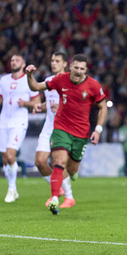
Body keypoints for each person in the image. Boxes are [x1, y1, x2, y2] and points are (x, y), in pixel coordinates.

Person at [25, 54, 108, 215]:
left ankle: (71, 175)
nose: (78, 71)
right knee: (58, 161)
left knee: (70, 169)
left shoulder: (93, 85)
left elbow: (103, 107)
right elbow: (35, 87)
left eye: (82, 69)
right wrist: (29, 75)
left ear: (86, 69)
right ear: (70, 66)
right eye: (76, 67)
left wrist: (98, 130)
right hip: (61, 128)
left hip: (81, 133)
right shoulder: (60, 79)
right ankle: (55, 198)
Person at [33, 52, 76, 208]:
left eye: (57, 61)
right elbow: (50, 104)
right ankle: (57, 189)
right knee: (39, 162)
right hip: (48, 126)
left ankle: (69, 197)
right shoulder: (49, 81)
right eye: (52, 60)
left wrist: (61, 107)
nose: (53, 63)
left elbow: (78, 106)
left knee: (58, 163)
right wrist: (41, 106)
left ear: (65, 64)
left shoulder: (71, 82)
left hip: (63, 127)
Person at [0, 54, 40, 202]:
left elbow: (37, 100)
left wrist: (26, 103)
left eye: (17, 60)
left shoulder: (27, 80)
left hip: (19, 122)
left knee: (11, 156)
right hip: (3, 121)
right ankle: (14, 189)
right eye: (11, 60)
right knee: (5, 159)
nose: (13, 62)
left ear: (23, 64)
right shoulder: (3, 80)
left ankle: (11, 189)